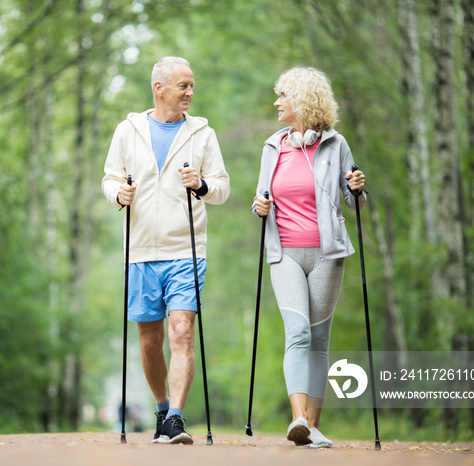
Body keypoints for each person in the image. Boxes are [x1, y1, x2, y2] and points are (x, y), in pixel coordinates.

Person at [102, 56, 230, 444]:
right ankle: (160, 409)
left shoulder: (202, 133)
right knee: (149, 341)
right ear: (159, 88)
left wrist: (202, 185)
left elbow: (222, 187)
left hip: (186, 249)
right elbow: (109, 178)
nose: (190, 92)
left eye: (191, 85)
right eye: (183, 86)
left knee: (181, 331)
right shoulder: (128, 130)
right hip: (140, 250)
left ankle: (175, 416)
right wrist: (118, 194)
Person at [252, 67, 366, 448]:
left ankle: (313, 426)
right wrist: (260, 207)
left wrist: (357, 189)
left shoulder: (335, 145)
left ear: (301, 99)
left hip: (327, 253)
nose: (276, 102)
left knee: (319, 340)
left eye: (282, 95)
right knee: (298, 332)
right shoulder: (272, 147)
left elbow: (354, 202)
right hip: (283, 252)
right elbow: (261, 200)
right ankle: (298, 418)